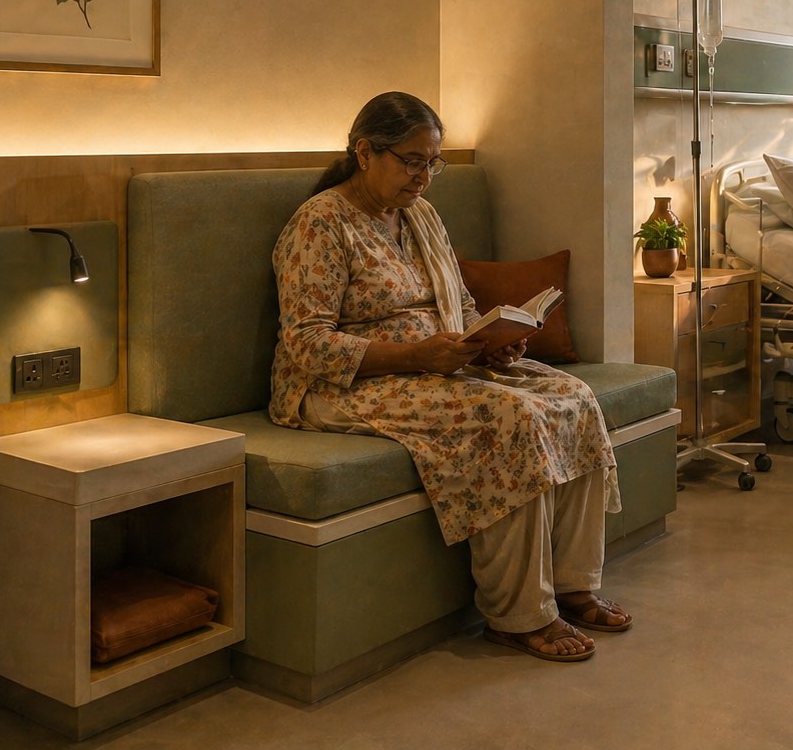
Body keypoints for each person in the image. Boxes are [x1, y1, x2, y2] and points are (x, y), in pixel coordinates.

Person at [270, 91, 629, 663]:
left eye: (433, 163)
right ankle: (518, 616)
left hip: (436, 365)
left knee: (574, 395)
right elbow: (307, 344)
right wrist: (417, 355)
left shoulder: (421, 214)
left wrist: (490, 344)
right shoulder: (321, 225)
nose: (425, 177)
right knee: (511, 416)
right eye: (413, 162)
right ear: (365, 152)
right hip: (343, 386)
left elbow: (458, 303)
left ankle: (573, 582)